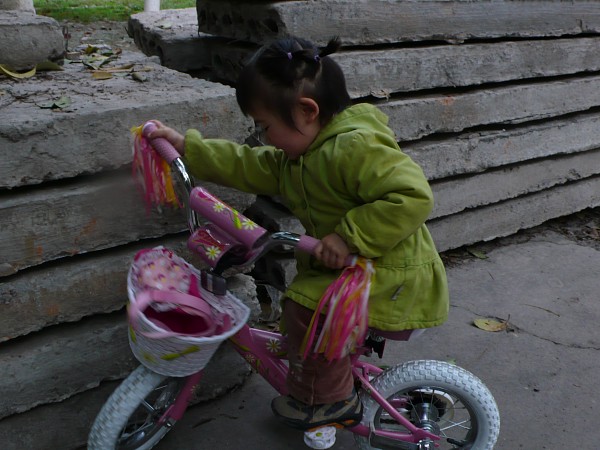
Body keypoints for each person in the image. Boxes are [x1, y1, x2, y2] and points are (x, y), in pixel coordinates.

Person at [148, 36, 449, 430]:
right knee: (304, 307)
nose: (263, 136)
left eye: (265, 126)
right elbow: (247, 164)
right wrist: (188, 147)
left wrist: (348, 237)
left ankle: (326, 401)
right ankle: (327, 377)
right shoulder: (300, 156)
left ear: (307, 111)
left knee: (305, 311)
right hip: (354, 267)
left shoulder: (355, 147)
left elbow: (411, 195)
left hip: (390, 271)